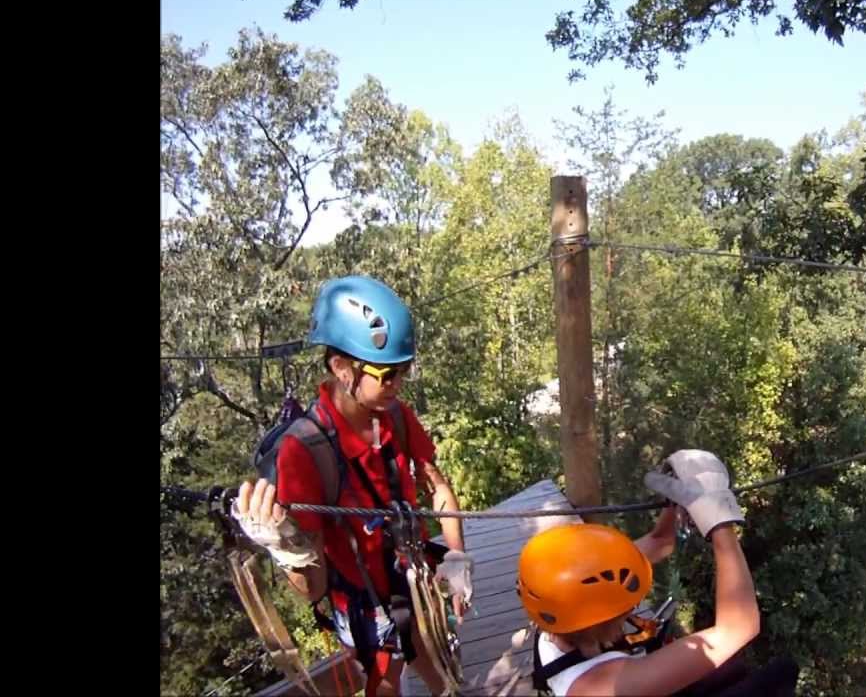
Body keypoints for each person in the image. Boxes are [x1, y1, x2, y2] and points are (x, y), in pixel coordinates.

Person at [232, 275, 470, 696]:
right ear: (342, 369)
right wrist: (289, 549)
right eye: (388, 373)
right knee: (384, 686)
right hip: (363, 604)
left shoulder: (395, 415)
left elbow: (439, 487)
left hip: (414, 580)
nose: (399, 383)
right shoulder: (304, 453)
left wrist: (455, 555)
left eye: (404, 371)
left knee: (444, 677)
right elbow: (313, 590)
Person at [519, 449, 799, 697]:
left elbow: (659, 543)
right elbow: (740, 627)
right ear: (608, 622)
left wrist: (676, 501)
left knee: (734, 670)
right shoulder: (605, 686)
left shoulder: (557, 597)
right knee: (779, 675)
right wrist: (719, 521)